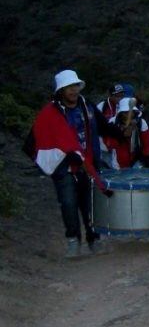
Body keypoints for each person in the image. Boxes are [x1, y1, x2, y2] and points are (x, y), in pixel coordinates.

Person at [27, 70, 122, 258]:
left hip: (88, 164)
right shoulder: (50, 113)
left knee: (90, 204)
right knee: (69, 203)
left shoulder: (88, 107)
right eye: (69, 87)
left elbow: (103, 127)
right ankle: (73, 241)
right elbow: (36, 140)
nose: (73, 90)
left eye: (75, 86)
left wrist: (121, 133)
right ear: (61, 90)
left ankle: (94, 239)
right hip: (64, 167)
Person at [104, 97, 149, 169]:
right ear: (121, 113)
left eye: (131, 112)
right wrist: (122, 135)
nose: (129, 115)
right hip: (118, 162)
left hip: (137, 160)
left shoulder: (141, 122)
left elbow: (147, 144)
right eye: (125, 112)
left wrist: (145, 159)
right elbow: (109, 144)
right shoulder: (112, 123)